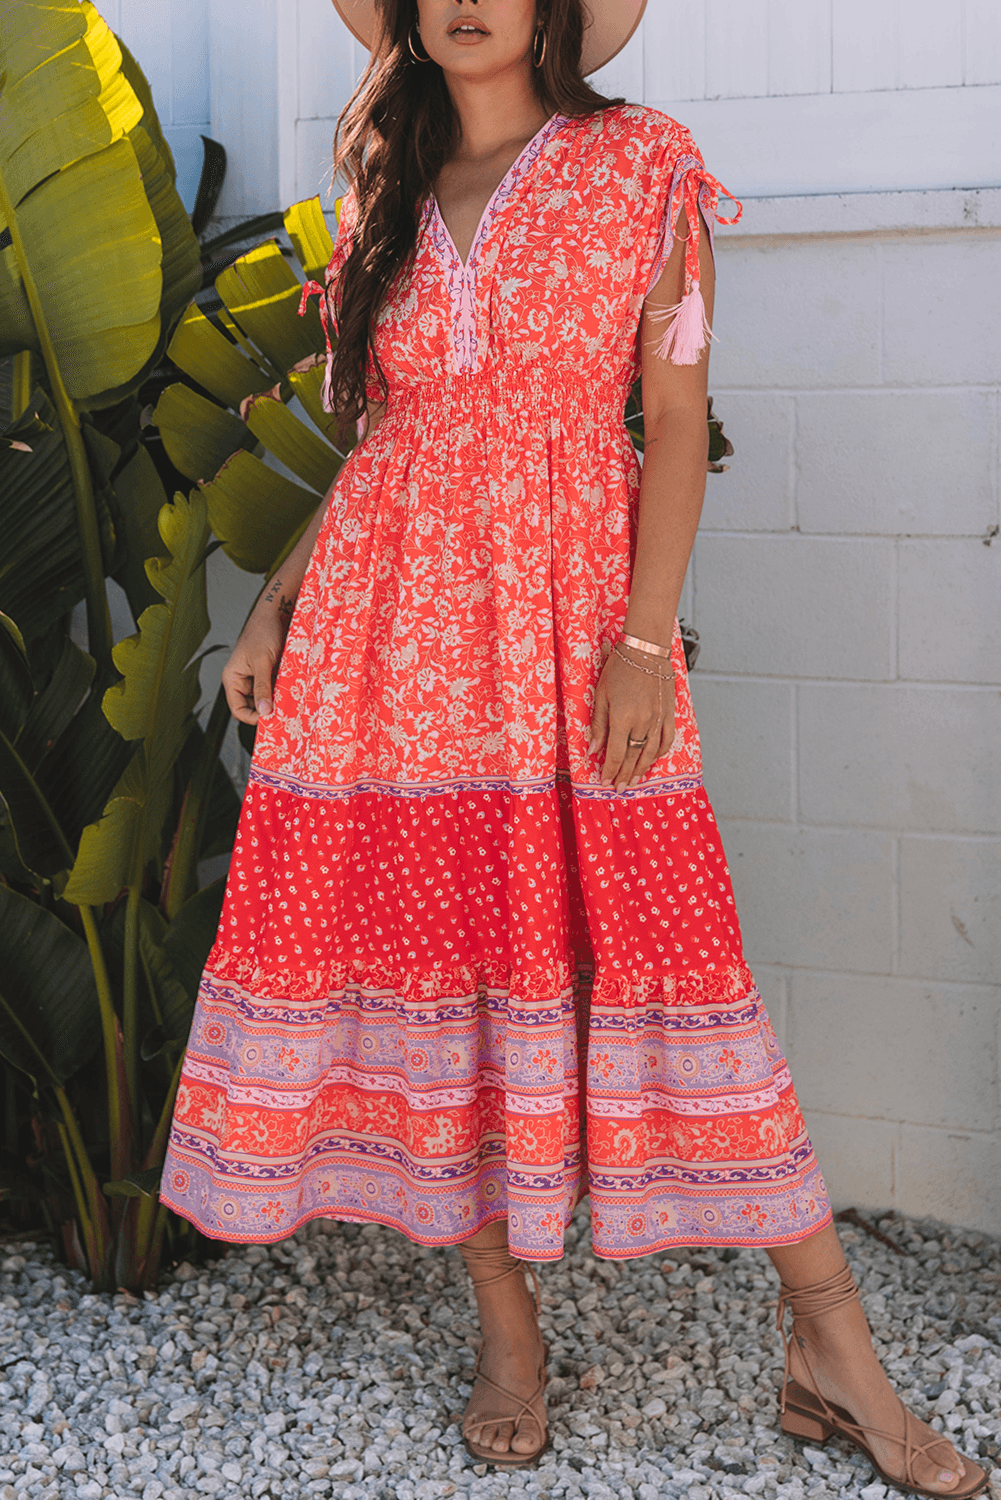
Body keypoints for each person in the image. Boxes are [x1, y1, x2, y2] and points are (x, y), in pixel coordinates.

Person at [160, 1, 987, 1493]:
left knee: (683, 960)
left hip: (569, 636)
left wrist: (641, 642)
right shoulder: (391, 194)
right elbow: (383, 440)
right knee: (443, 972)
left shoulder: (644, 166)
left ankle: (835, 1349)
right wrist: (279, 607)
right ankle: (507, 1331)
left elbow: (675, 417)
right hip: (387, 647)